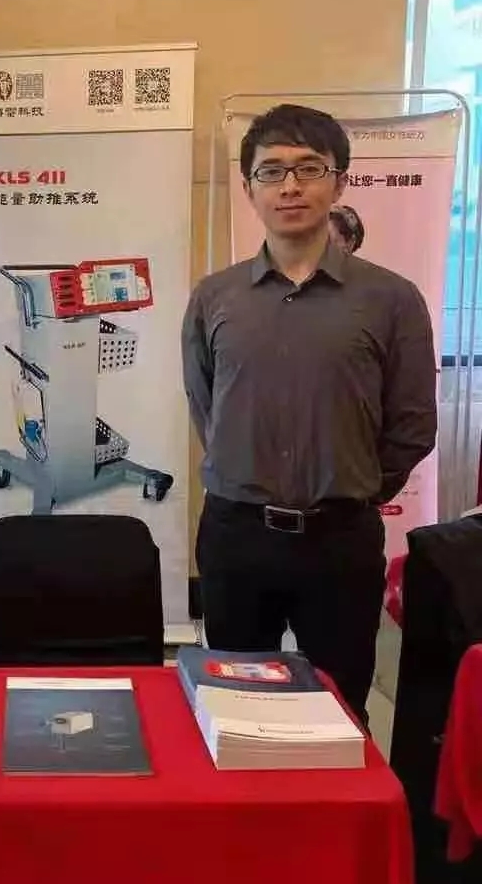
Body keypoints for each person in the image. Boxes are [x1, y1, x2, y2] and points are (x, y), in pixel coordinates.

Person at [181, 104, 437, 725]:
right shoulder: (215, 297)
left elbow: (411, 425)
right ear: (250, 188)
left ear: (339, 182)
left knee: (340, 711)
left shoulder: (391, 298)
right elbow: (206, 404)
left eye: (309, 168)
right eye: (271, 171)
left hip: (339, 541)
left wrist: (355, 486)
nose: (290, 186)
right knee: (236, 708)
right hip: (237, 537)